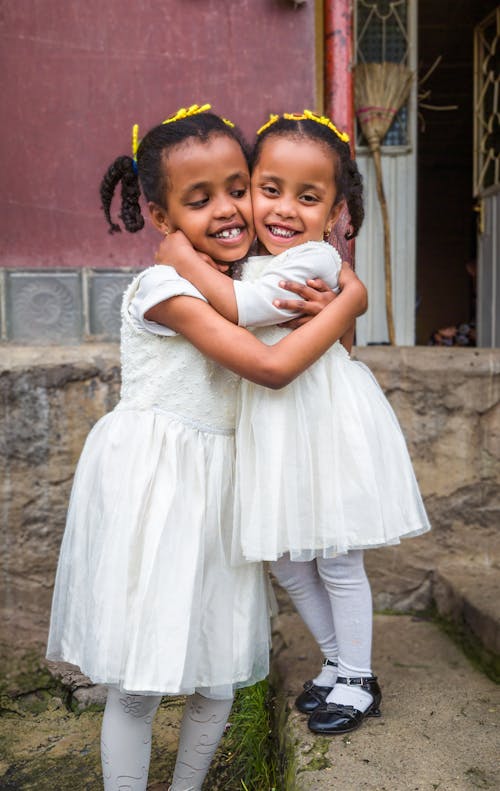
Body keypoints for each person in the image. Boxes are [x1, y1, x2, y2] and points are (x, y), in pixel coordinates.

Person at [46, 105, 368, 791]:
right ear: (161, 219)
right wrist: (350, 300)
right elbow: (270, 365)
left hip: (225, 491)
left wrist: (345, 299)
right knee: (141, 681)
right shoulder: (168, 285)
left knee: (219, 675)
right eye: (200, 200)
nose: (229, 209)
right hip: (158, 495)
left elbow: (329, 349)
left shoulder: (251, 275)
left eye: (237, 186)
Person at [156, 110, 431, 738]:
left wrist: (180, 256)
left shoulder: (315, 261)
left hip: (322, 424)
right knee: (284, 558)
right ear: (248, 187)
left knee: (335, 557)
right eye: (268, 189)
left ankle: (358, 675)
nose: (283, 209)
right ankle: (336, 661)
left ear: (334, 214)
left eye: (308, 198)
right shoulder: (251, 255)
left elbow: (242, 308)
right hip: (276, 431)